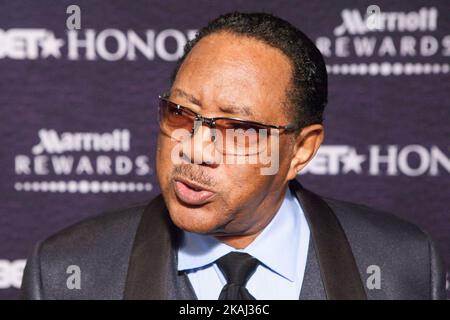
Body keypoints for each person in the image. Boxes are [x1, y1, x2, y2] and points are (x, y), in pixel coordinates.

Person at [20, 12, 446, 300]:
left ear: (301, 149)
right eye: (181, 113)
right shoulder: (66, 273)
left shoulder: (402, 266)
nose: (194, 148)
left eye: (238, 129)